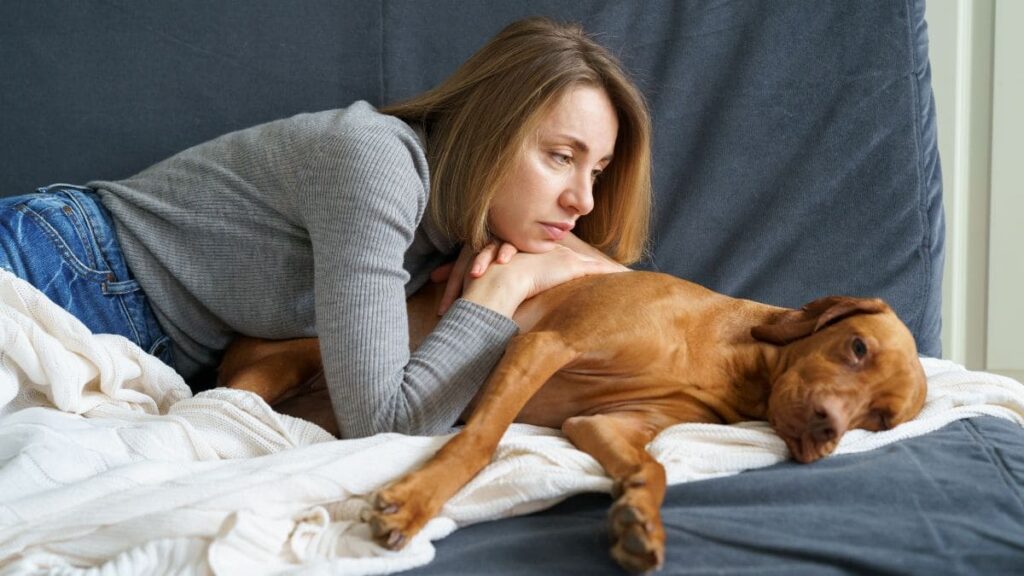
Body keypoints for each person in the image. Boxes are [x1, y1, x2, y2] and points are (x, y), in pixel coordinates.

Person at [0, 17, 652, 438]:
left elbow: (621, 289)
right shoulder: (376, 164)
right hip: (61, 265)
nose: (583, 201)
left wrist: (539, 264)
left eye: (596, 170)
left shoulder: (465, 232)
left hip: (125, 330)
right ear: (490, 131)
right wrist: (506, 293)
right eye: (560, 156)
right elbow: (382, 421)